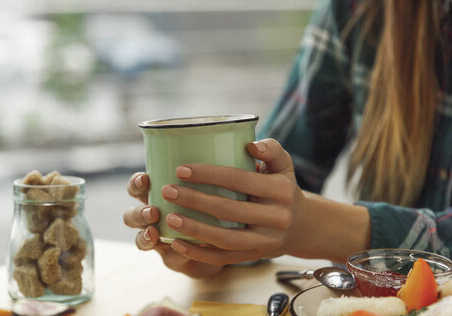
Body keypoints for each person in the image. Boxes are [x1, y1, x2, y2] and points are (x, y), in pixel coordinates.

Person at [122, 0, 452, 278]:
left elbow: (292, 215)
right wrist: (215, 247)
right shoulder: (355, 10)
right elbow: (277, 184)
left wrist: (316, 226)